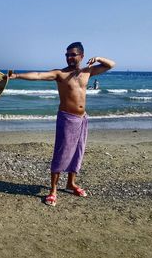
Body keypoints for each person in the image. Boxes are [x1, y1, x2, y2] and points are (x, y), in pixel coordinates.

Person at [7, 42, 115, 206]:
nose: (69, 58)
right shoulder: (60, 74)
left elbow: (111, 65)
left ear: (82, 56)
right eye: (67, 55)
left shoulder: (88, 72)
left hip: (82, 118)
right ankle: (53, 190)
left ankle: (71, 183)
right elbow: (38, 75)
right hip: (67, 118)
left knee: (78, 152)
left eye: (72, 54)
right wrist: (16, 76)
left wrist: (98, 57)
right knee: (61, 153)